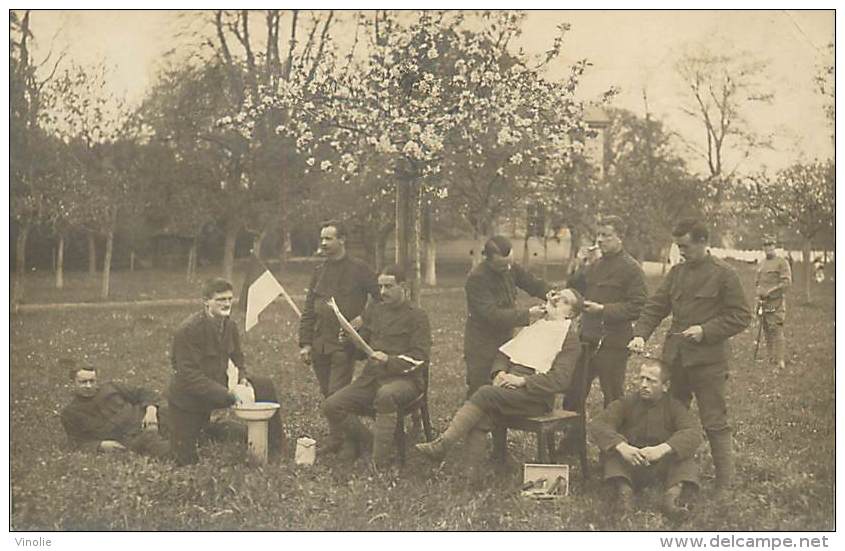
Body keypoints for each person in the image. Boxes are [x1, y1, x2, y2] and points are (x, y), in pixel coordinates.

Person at [628, 219, 751, 494]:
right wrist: (640, 334)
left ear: (702, 242)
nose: (681, 252)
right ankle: (674, 476)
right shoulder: (677, 273)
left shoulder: (725, 274)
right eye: (678, 246)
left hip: (708, 363)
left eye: (685, 246)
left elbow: (741, 316)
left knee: (714, 422)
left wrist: (705, 331)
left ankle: (724, 486)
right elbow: (656, 306)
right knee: (672, 419)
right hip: (675, 362)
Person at [416, 289, 583, 474]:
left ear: (571, 313)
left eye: (565, 301)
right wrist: (499, 372)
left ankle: (443, 444)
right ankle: (470, 477)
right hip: (509, 387)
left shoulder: (569, 339)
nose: (557, 300)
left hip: (535, 397)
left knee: (484, 393)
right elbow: (504, 354)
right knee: (481, 417)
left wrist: (522, 381)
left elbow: (560, 380)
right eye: (557, 295)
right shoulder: (537, 326)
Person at [321, 265, 431, 470]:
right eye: (380, 287)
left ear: (403, 287)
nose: (382, 292)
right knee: (332, 405)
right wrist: (349, 340)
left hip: (405, 381)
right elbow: (365, 350)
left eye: (388, 286)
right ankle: (372, 442)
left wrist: (389, 360)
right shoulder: (376, 311)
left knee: (386, 395)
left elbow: (420, 358)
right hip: (371, 379)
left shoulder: (417, 316)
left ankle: (379, 463)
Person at [168, 278, 284, 466]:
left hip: (218, 388)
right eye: (220, 299)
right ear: (206, 301)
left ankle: (275, 445)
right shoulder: (189, 330)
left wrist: (243, 378)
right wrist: (227, 394)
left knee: (263, 384)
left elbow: (238, 357)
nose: (227, 303)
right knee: (183, 458)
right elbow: (189, 376)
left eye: (229, 298)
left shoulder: (229, 326)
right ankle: (206, 428)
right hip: (188, 399)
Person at [589, 358, 703, 519]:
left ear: (665, 386)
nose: (643, 385)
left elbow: (693, 432)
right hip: (631, 462)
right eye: (641, 378)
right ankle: (624, 494)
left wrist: (662, 449)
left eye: (651, 381)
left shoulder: (674, 406)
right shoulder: (626, 403)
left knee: (685, 457)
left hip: (662, 464)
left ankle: (672, 498)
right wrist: (623, 447)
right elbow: (599, 424)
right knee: (612, 454)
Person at [566, 215, 647, 409]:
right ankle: (573, 440)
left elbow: (639, 306)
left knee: (612, 398)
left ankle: (613, 438)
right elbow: (574, 289)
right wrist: (580, 262)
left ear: (620, 238)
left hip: (613, 343)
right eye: (598, 235)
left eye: (606, 235)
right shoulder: (595, 265)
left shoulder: (632, 269)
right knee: (573, 395)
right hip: (587, 338)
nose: (600, 240)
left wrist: (603, 309)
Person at [298, 220, 380, 402]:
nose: (324, 243)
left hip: (344, 344)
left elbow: (380, 297)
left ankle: (340, 431)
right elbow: (309, 309)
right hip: (320, 343)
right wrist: (305, 343)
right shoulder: (319, 271)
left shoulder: (360, 268)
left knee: (336, 395)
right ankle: (340, 429)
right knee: (328, 393)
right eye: (322, 239)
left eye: (329, 238)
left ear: (342, 239)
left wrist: (364, 318)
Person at [463, 235, 553, 399]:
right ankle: (471, 423)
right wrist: (528, 314)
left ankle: (497, 424)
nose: (508, 268)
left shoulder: (510, 267)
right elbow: (491, 315)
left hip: (505, 341)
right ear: (488, 260)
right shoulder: (477, 279)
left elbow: (531, 282)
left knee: (500, 390)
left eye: (510, 263)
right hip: (481, 345)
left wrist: (551, 294)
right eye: (503, 266)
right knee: (479, 390)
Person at [61, 364, 171, 458]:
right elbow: (77, 443)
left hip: (149, 419)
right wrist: (101, 445)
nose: (88, 386)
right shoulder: (71, 412)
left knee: (174, 412)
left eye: (92, 381)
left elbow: (143, 393)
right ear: (73, 383)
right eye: (83, 382)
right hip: (131, 438)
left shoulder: (111, 387)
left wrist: (151, 411)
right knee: (158, 445)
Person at [755, 235, 792, 369]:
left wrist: (770, 292)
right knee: (766, 328)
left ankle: (780, 360)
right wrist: (759, 295)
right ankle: (771, 357)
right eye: (766, 245)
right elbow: (757, 282)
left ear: (774, 246)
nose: (768, 248)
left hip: (775, 302)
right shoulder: (761, 263)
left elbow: (786, 283)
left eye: (771, 245)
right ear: (763, 247)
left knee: (776, 328)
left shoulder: (782, 262)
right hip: (763, 303)